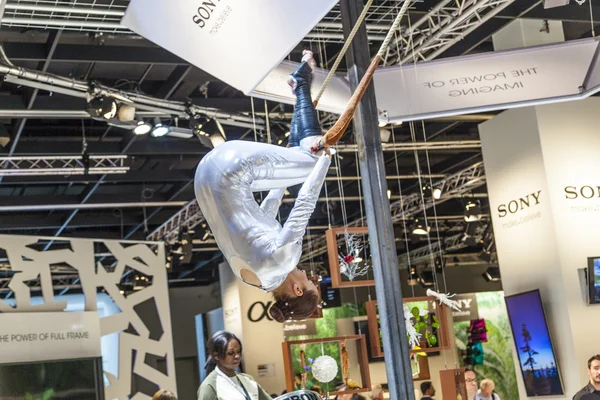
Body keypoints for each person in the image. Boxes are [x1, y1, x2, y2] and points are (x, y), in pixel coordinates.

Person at [195, 50, 330, 323]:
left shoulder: (285, 261)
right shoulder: (251, 279)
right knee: (299, 162)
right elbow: (261, 217)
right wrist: (282, 183)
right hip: (203, 179)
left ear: (297, 288)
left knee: (310, 159)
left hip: (229, 168)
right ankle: (298, 88)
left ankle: (303, 80)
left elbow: (304, 206)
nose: (307, 274)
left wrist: (322, 165)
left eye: (310, 280)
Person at [198, 330, 272, 400]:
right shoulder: (209, 386)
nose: (237, 356)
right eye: (231, 353)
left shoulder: (248, 379)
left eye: (238, 351)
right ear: (216, 356)